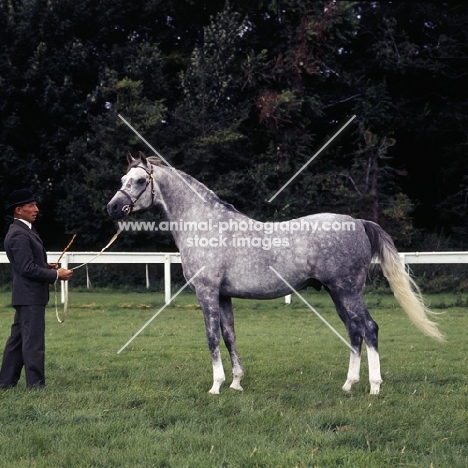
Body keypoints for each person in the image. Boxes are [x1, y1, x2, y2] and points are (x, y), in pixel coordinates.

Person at [0, 189, 73, 389]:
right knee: (33, 343)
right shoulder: (18, 234)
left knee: (17, 342)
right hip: (29, 296)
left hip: (28, 296)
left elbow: (29, 263)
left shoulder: (26, 230)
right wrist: (57, 275)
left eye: (35, 205)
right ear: (18, 210)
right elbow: (26, 268)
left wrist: (46, 266)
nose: (36, 209)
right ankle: (36, 386)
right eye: (31, 206)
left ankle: (5, 383)